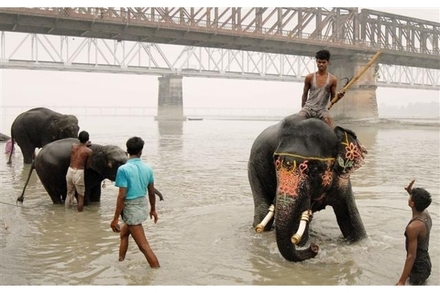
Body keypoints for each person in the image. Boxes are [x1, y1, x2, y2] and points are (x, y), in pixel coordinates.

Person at [110, 136, 160, 269]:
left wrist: (115, 219)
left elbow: (122, 196)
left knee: (144, 247)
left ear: (127, 150)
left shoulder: (123, 169)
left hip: (131, 210)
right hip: (142, 207)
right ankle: (121, 262)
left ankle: (157, 271)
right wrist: (153, 209)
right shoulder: (148, 168)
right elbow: (151, 192)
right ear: (141, 152)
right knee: (124, 233)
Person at [396, 179, 432, 285]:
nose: (409, 197)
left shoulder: (413, 228)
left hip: (417, 269)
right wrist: (410, 191)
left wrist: (401, 281)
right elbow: (420, 202)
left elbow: (411, 256)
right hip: (426, 263)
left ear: (412, 203)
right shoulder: (426, 214)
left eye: (410, 197)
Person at [299, 49, 345, 128]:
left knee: (330, 125)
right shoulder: (309, 77)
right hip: (308, 108)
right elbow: (305, 95)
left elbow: (332, 100)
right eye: (319, 62)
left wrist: (338, 97)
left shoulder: (332, 79)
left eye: (324, 62)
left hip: (322, 110)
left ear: (328, 62)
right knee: (298, 121)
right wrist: (303, 109)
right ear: (316, 61)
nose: (321, 64)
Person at [65, 130, 92, 212]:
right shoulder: (89, 151)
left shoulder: (73, 146)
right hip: (79, 173)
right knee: (80, 197)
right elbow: (88, 165)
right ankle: (80, 217)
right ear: (87, 139)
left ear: (78, 138)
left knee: (69, 193)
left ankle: (66, 213)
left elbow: (79, 146)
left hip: (70, 171)